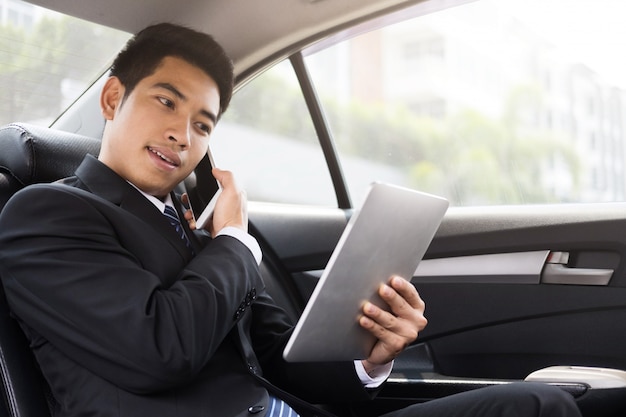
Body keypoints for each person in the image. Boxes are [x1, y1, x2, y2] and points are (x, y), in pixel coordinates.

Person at [0, 23, 582, 417]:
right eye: (165, 101)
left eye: (204, 124)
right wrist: (233, 242)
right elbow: (160, 349)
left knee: (537, 403)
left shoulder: (193, 228)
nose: (183, 133)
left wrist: (368, 359)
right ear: (112, 100)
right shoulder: (47, 213)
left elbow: (280, 359)